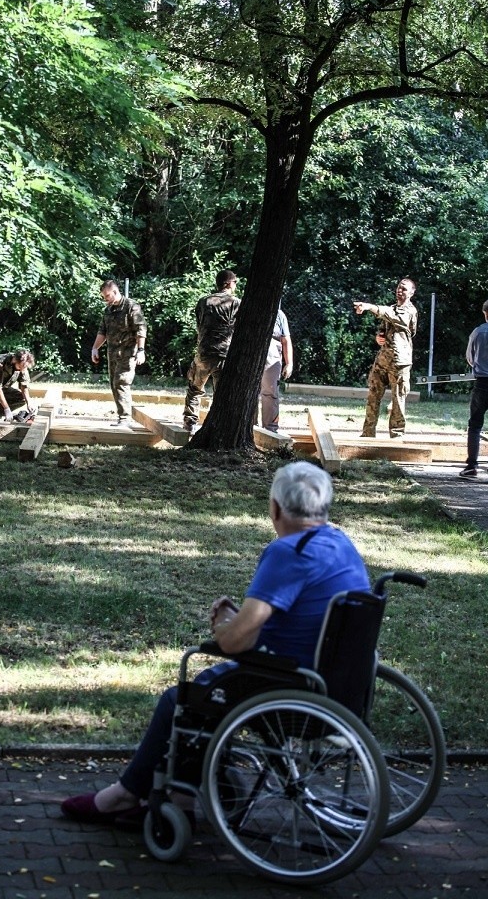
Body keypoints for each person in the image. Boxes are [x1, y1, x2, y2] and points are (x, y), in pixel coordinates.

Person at [60, 461, 370, 826]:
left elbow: (237, 642)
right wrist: (240, 618)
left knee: (184, 700)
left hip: (288, 685)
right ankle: (182, 793)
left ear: (274, 508)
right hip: (339, 683)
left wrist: (225, 624)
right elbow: (289, 615)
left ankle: (130, 796)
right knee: (212, 692)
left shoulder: (289, 552)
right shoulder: (340, 543)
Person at [354, 278, 418, 438]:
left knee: (398, 400)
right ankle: (367, 433)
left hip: (400, 362)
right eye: (398, 287)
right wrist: (379, 337)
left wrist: (369, 307)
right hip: (382, 360)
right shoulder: (391, 308)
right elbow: (383, 328)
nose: (400, 290)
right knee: (373, 396)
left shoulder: (410, 311)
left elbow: (395, 317)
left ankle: (397, 435)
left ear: (411, 293)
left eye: (404, 289)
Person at [183, 269, 240, 433]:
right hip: (224, 354)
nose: (235, 285)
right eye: (235, 282)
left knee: (195, 389)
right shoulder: (235, 303)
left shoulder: (203, 301)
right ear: (229, 283)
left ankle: (189, 423)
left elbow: (199, 325)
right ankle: (217, 426)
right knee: (221, 393)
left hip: (204, 353)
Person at [91, 280, 147, 427]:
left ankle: (125, 418)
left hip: (128, 352)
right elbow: (102, 331)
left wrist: (141, 350)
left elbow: (141, 329)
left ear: (115, 292)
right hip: (113, 353)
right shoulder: (108, 310)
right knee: (114, 384)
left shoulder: (131, 306)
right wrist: (95, 348)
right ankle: (122, 415)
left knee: (121, 382)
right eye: (104, 296)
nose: (105, 299)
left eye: (107, 295)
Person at [459, 299, 488, 478]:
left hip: (483, 383)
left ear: (485, 313)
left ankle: (472, 466)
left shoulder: (478, 332)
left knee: (475, 425)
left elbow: (470, 357)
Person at [260, 306, 293, 433]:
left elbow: (286, 340)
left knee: (271, 391)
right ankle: (250, 427)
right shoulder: (248, 308)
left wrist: (289, 363)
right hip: (250, 352)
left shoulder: (279, 314)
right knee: (249, 390)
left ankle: (270, 429)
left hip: (272, 354)